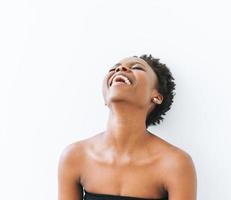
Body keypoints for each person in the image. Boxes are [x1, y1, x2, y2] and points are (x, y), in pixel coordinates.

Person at [58, 54, 197, 200]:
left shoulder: (175, 164)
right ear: (105, 96)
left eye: (137, 67)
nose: (120, 68)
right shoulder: (74, 157)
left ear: (156, 96)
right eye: (113, 68)